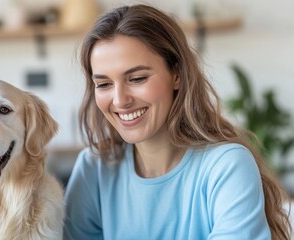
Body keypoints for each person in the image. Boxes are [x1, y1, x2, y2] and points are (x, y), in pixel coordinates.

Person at [63, 4, 292, 240]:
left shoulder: (226, 167)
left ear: (177, 75)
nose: (120, 101)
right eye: (103, 84)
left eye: (137, 78)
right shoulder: (94, 169)